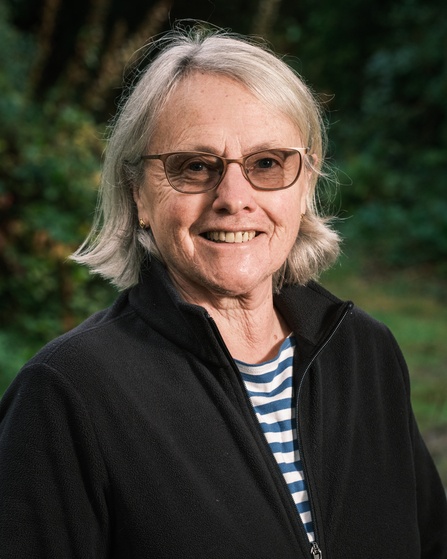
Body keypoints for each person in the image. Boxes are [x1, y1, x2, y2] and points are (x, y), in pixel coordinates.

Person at [0, 27, 446, 559]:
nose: (234, 198)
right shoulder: (67, 394)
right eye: (194, 167)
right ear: (138, 195)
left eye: (267, 164)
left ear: (305, 185)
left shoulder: (366, 353)